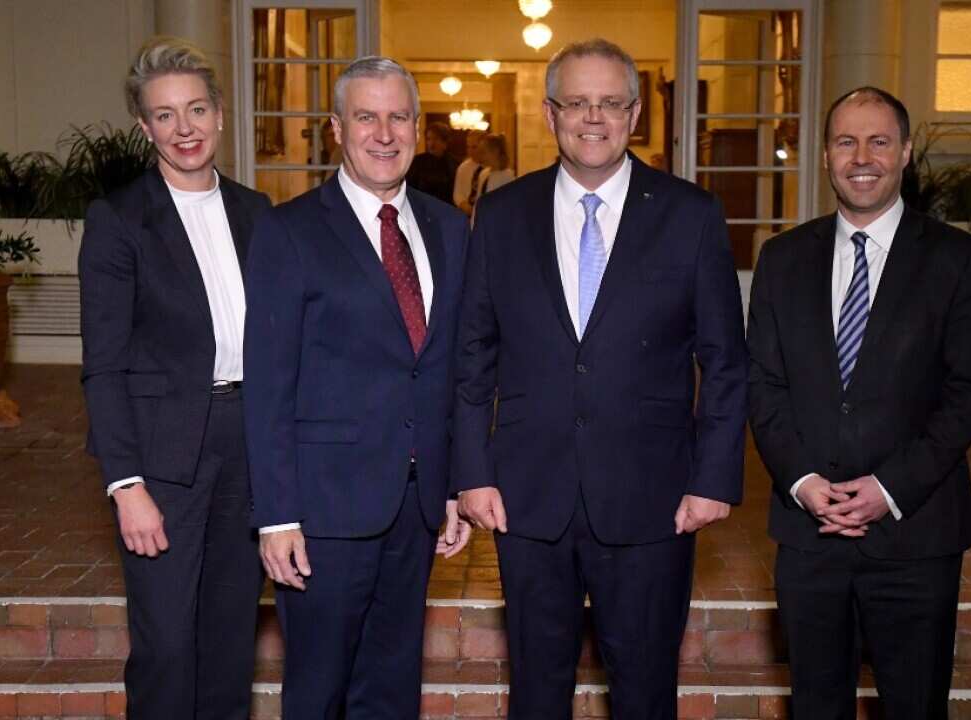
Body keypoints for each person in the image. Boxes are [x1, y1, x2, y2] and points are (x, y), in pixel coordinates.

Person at [453, 39, 748, 719]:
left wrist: (712, 479)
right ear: (551, 114)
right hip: (527, 497)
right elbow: (472, 354)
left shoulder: (691, 214)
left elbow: (726, 361)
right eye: (578, 103)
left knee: (644, 691)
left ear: (635, 115)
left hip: (653, 498)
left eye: (611, 103)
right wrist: (472, 471)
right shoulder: (501, 214)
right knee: (536, 692)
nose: (594, 118)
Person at [746, 86, 971, 720]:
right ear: (825, 156)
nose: (862, 157)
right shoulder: (781, 259)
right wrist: (803, 482)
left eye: (879, 141)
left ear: (906, 152)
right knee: (815, 705)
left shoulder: (959, 259)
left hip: (916, 534)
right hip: (810, 534)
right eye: (846, 142)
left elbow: (970, 392)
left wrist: (889, 489)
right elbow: (763, 384)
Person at [243, 56, 472, 718]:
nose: (384, 133)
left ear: (418, 127)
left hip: (416, 505)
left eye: (399, 117)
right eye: (366, 117)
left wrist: (453, 484)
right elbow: (268, 384)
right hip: (323, 510)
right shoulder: (289, 230)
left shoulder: (449, 228)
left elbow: (449, 367)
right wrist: (277, 517)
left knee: (393, 690)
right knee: (318, 692)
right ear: (337, 129)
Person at [78, 36, 269, 720]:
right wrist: (125, 485)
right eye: (164, 115)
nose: (184, 128)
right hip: (163, 455)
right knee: (165, 649)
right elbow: (103, 365)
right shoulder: (119, 219)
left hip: (249, 443)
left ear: (219, 113)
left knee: (230, 642)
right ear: (144, 127)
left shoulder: (257, 211)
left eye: (195, 109)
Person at [407, 120, 457, 204]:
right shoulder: (417, 162)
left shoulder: (453, 163)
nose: (431, 143)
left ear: (445, 142)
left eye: (436, 139)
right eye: (429, 139)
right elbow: (409, 188)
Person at [452, 128, 486, 209]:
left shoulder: (492, 167)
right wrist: (467, 208)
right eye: (468, 147)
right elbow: (457, 194)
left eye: (474, 147)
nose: (470, 151)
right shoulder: (463, 168)